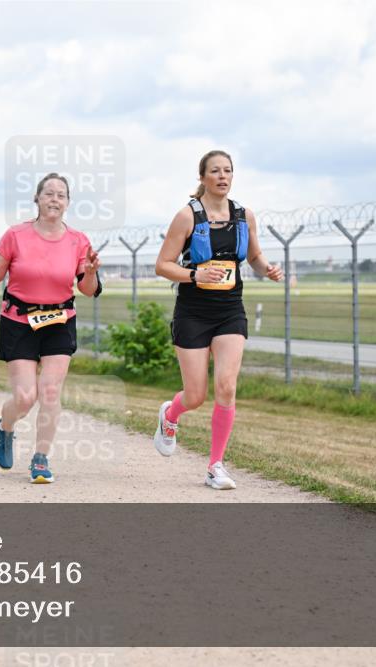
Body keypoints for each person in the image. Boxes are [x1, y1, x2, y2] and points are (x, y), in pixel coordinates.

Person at [153, 150, 284, 490]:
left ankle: (215, 466)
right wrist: (196, 274)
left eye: (228, 171)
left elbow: (253, 255)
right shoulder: (187, 216)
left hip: (230, 310)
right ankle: (170, 416)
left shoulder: (244, 215)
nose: (223, 176)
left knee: (226, 386)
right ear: (203, 177)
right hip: (193, 312)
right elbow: (163, 264)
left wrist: (266, 268)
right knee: (195, 395)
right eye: (215, 171)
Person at [0, 172, 102, 484]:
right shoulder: (16, 235)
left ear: (68, 203)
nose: (54, 199)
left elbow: (88, 289)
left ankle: (41, 458)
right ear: (37, 199)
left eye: (61, 195)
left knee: (49, 391)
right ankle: (4, 428)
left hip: (59, 321)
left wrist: (89, 272)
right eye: (49, 193)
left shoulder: (78, 240)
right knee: (24, 397)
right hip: (18, 321)